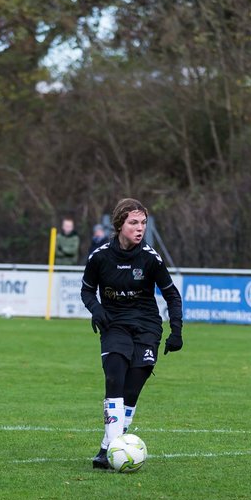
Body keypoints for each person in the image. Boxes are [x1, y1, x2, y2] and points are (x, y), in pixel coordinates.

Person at [81, 197, 183, 468]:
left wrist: (176, 331)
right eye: (134, 223)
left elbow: (172, 295)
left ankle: (107, 445)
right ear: (119, 225)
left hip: (147, 327)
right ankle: (112, 451)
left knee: (131, 390)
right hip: (114, 326)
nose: (140, 228)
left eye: (143, 223)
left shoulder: (150, 258)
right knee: (114, 379)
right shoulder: (100, 256)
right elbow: (87, 290)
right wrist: (96, 309)